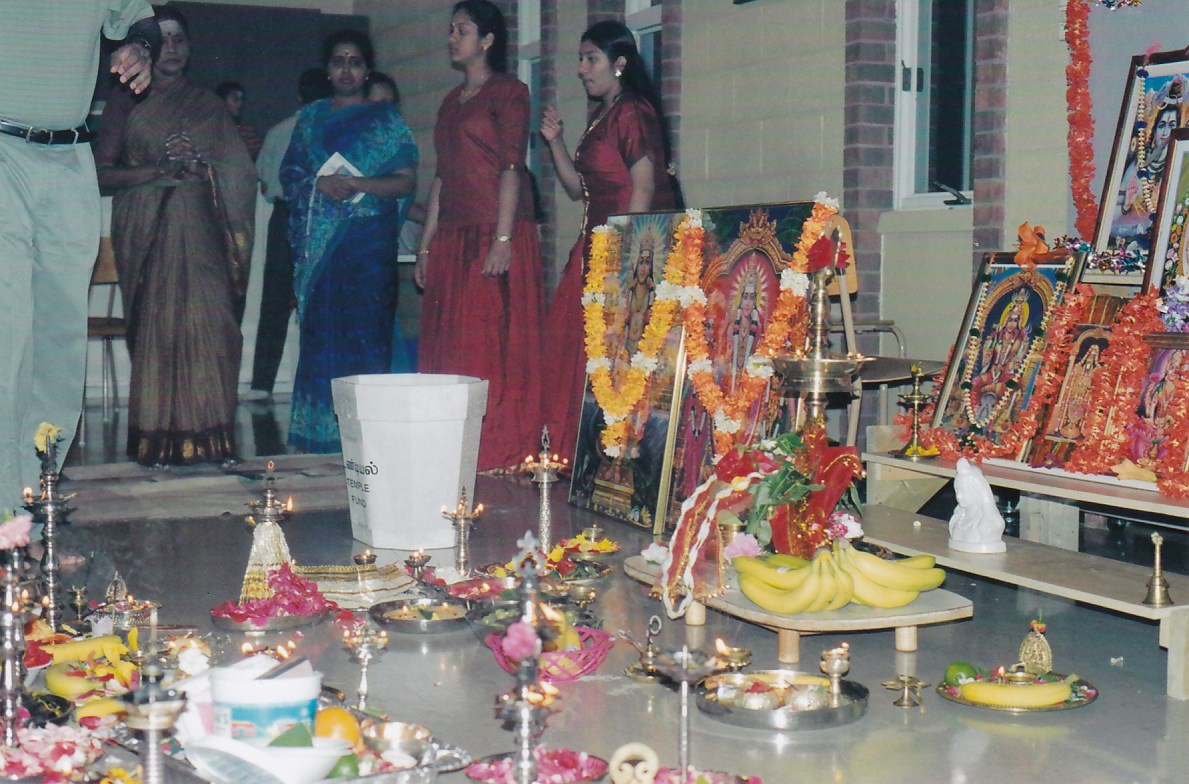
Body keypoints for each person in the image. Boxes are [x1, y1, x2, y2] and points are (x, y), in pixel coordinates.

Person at [0, 2, 156, 493]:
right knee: (8, 331)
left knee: (61, 342)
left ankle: (35, 496)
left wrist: (140, 46)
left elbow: (141, 19)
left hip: (70, 158)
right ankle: (3, 506)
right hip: (3, 149)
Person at [95, 6, 257, 468]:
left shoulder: (208, 105)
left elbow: (241, 174)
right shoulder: (126, 102)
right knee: (160, 331)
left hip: (205, 237)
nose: (172, 49)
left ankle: (213, 438)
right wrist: (157, 170)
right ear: (145, 49)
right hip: (149, 236)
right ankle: (157, 442)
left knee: (212, 328)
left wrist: (203, 162)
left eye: (180, 39)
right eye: (162, 40)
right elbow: (101, 175)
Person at [540, 20, 680, 464]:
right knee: (578, 346)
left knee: (613, 352)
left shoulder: (633, 111)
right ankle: (575, 453)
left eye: (591, 59)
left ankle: (608, 454)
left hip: (622, 249)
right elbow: (576, 188)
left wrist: (627, 260)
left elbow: (644, 185)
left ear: (619, 63)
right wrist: (555, 142)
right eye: (580, 59)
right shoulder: (603, 114)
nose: (581, 69)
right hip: (593, 245)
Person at [414, 0, 544, 472]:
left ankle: (495, 448)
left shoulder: (510, 92)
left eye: (462, 30)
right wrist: (425, 245)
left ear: (487, 40)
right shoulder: (451, 101)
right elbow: (442, 178)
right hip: (453, 236)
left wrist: (503, 240)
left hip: (495, 229)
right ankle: (449, 444)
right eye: (451, 29)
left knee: (487, 341)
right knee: (450, 343)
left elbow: (512, 167)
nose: (453, 37)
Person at [281, 30, 418, 453]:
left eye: (355, 61)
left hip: (367, 250)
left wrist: (358, 184)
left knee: (366, 339)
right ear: (327, 69)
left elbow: (405, 182)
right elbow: (290, 177)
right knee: (322, 337)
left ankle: (369, 437)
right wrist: (319, 184)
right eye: (338, 60)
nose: (346, 69)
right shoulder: (310, 119)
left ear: (367, 69)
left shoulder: (386, 121)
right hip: (322, 255)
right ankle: (321, 435)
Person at [244, 68, 331, 404]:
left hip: (285, 214)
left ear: (298, 97)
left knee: (275, 300)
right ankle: (320, 382)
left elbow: (265, 185)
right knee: (320, 297)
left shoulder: (279, 131)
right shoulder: (332, 129)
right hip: (319, 215)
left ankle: (262, 384)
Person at [216, 80, 262, 160]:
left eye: (241, 99)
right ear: (221, 101)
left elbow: (260, 158)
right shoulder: (211, 129)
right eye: (235, 99)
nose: (240, 103)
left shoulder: (248, 130)